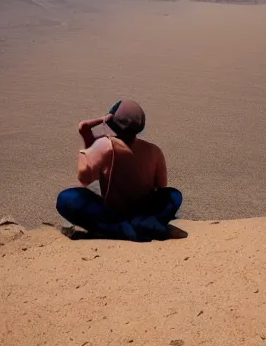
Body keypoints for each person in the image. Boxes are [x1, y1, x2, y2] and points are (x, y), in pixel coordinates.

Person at [56, 100, 183, 241]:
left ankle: (122, 229)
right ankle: (146, 224)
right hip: (142, 210)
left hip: (113, 212)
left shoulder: (105, 145)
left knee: (67, 198)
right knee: (173, 195)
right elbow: (161, 187)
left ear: (112, 121)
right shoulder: (154, 150)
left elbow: (84, 177)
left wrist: (87, 146)